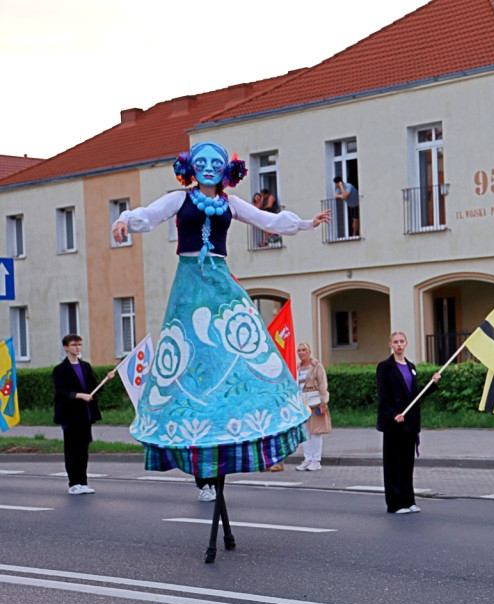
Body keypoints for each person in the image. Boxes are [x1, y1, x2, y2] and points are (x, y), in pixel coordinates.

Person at [111, 141, 330, 482]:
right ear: (191, 167)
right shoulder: (180, 198)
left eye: (216, 162)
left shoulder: (231, 203)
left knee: (242, 343)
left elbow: (267, 221)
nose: (209, 167)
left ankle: (243, 425)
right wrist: (124, 220)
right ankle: (195, 455)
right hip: (189, 282)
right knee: (189, 353)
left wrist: (305, 224)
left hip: (219, 279)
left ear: (226, 170)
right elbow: (149, 215)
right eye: (203, 162)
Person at [376, 331, 441, 514]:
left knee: (406, 464)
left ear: (406, 343)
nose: (398, 345)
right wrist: (392, 415)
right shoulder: (385, 367)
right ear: (390, 344)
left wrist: (433, 384)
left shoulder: (411, 367)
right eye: (395, 342)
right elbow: (383, 397)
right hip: (394, 424)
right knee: (393, 464)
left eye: (401, 341)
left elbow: (415, 396)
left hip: (409, 424)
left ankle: (408, 500)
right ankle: (395, 504)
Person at [52, 334, 109, 495]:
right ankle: (73, 483)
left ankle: (83, 482)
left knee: (83, 449)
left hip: (86, 415)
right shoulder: (60, 370)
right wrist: (79, 395)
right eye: (74, 345)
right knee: (72, 449)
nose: (77, 347)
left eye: (79, 345)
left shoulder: (85, 366)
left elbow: (92, 388)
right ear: (66, 347)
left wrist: (106, 380)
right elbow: (61, 392)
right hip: (70, 416)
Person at [296, 342, 331, 471]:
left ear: (309, 352)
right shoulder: (297, 368)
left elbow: (323, 384)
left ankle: (316, 460)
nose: (301, 353)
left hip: (315, 403)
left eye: (303, 350)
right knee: (305, 433)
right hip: (302, 403)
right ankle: (308, 458)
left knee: (316, 432)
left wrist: (323, 402)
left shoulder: (317, 366)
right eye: (299, 350)